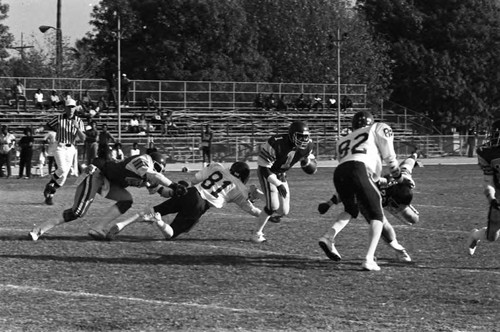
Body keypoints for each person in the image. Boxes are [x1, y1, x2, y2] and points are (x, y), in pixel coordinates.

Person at [316, 110, 413, 271]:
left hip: (340, 172)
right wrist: (399, 177)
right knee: (377, 217)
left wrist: (330, 201)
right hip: (361, 169)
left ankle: (328, 237)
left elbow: (351, 169)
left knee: (350, 209)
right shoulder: (377, 128)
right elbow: (390, 159)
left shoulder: (342, 140)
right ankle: (369, 258)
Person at [29, 151, 188, 241]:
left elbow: (162, 191)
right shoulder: (143, 160)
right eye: (160, 169)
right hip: (97, 175)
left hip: (109, 183)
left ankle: (98, 228)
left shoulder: (151, 176)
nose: (160, 172)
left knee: (127, 200)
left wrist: (176, 192)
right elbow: (157, 177)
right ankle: (38, 230)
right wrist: (174, 184)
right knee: (77, 212)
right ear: (156, 163)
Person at [104, 161, 262, 241]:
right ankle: (158, 221)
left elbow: (194, 180)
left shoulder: (218, 167)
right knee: (170, 234)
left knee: (155, 209)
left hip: (191, 192)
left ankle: (122, 224)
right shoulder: (240, 188)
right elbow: (252, 210)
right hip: (200, 204)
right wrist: (268, 214)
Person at [317, 153, 421, 262]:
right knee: (385, 230)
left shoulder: (405, 179)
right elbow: (351, 190)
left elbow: (407, 164)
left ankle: (377, 255)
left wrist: (414, 155)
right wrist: (330, 202)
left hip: (372, 188)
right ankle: (398, 252)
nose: (398, 208)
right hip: (371, 200)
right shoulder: (377, 183)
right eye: (398, 206)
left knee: (413, 218)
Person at [251, 121, 315, 243]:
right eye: (300, 136)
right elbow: (264, 168)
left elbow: (310, 158)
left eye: (305, 136)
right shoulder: (276, 143)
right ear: (291, 135)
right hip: (268, 172)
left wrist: (308, 163)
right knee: (272, 206)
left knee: (283, 211)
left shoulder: (308, 146)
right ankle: (257, 233)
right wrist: (278, 184)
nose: (303, 140)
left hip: (280, 173)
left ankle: (256, 194)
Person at [41, 98, 86, 205]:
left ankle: (50, 195)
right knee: (62, 168)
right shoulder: (59, 118)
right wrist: (39, 129)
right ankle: (50, 184)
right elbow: (48, 125)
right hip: (60, 146)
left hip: (71, 149)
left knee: (64, 176)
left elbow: (83, 138)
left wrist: (77, 128)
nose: (70, 109)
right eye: (68, 107)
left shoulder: (79, 121)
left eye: (72, 107)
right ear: (65, 108)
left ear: (75, 108)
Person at [467, 119, 500, 255]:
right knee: (492, 236)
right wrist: (492, 198)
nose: (493, 137)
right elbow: (488, 181)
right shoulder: (488, 153)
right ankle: (475, 235)